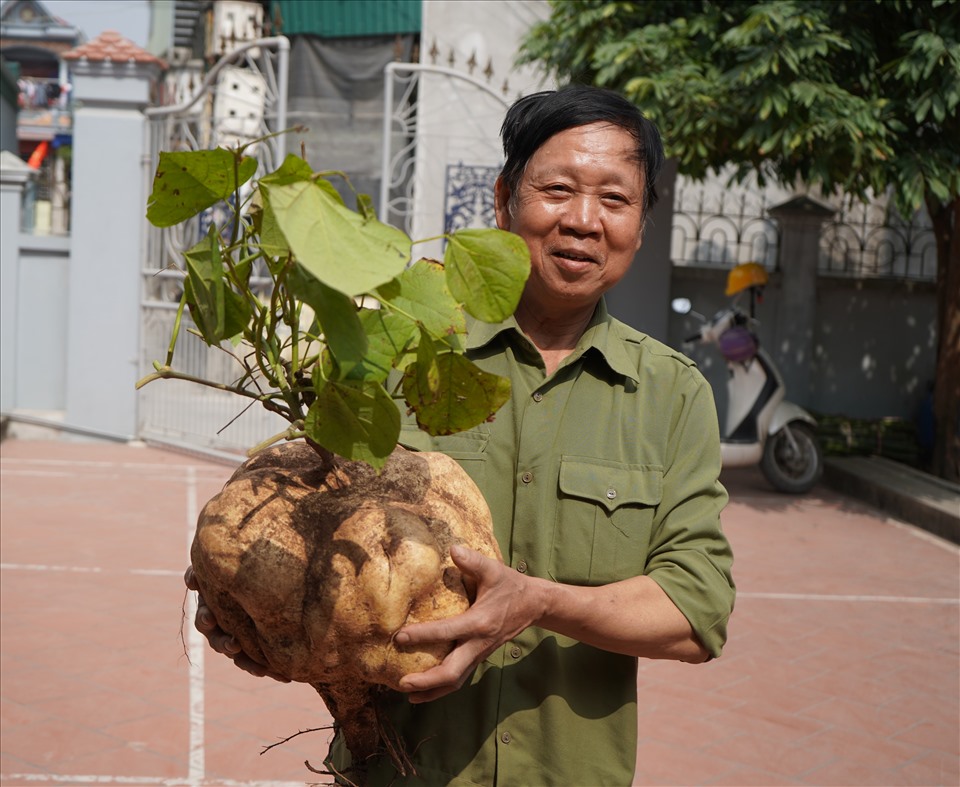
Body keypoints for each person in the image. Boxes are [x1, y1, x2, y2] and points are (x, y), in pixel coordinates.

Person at [187, 84, 736, 786]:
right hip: (386, 768)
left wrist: (538, 603)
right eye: (558, 189)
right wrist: (249, 590)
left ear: (642, 222)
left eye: (614, 199)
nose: (583, 220)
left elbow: (696, 610)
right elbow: (311, 522)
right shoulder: (407, 344)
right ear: (505, 200)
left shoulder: (672, 394)